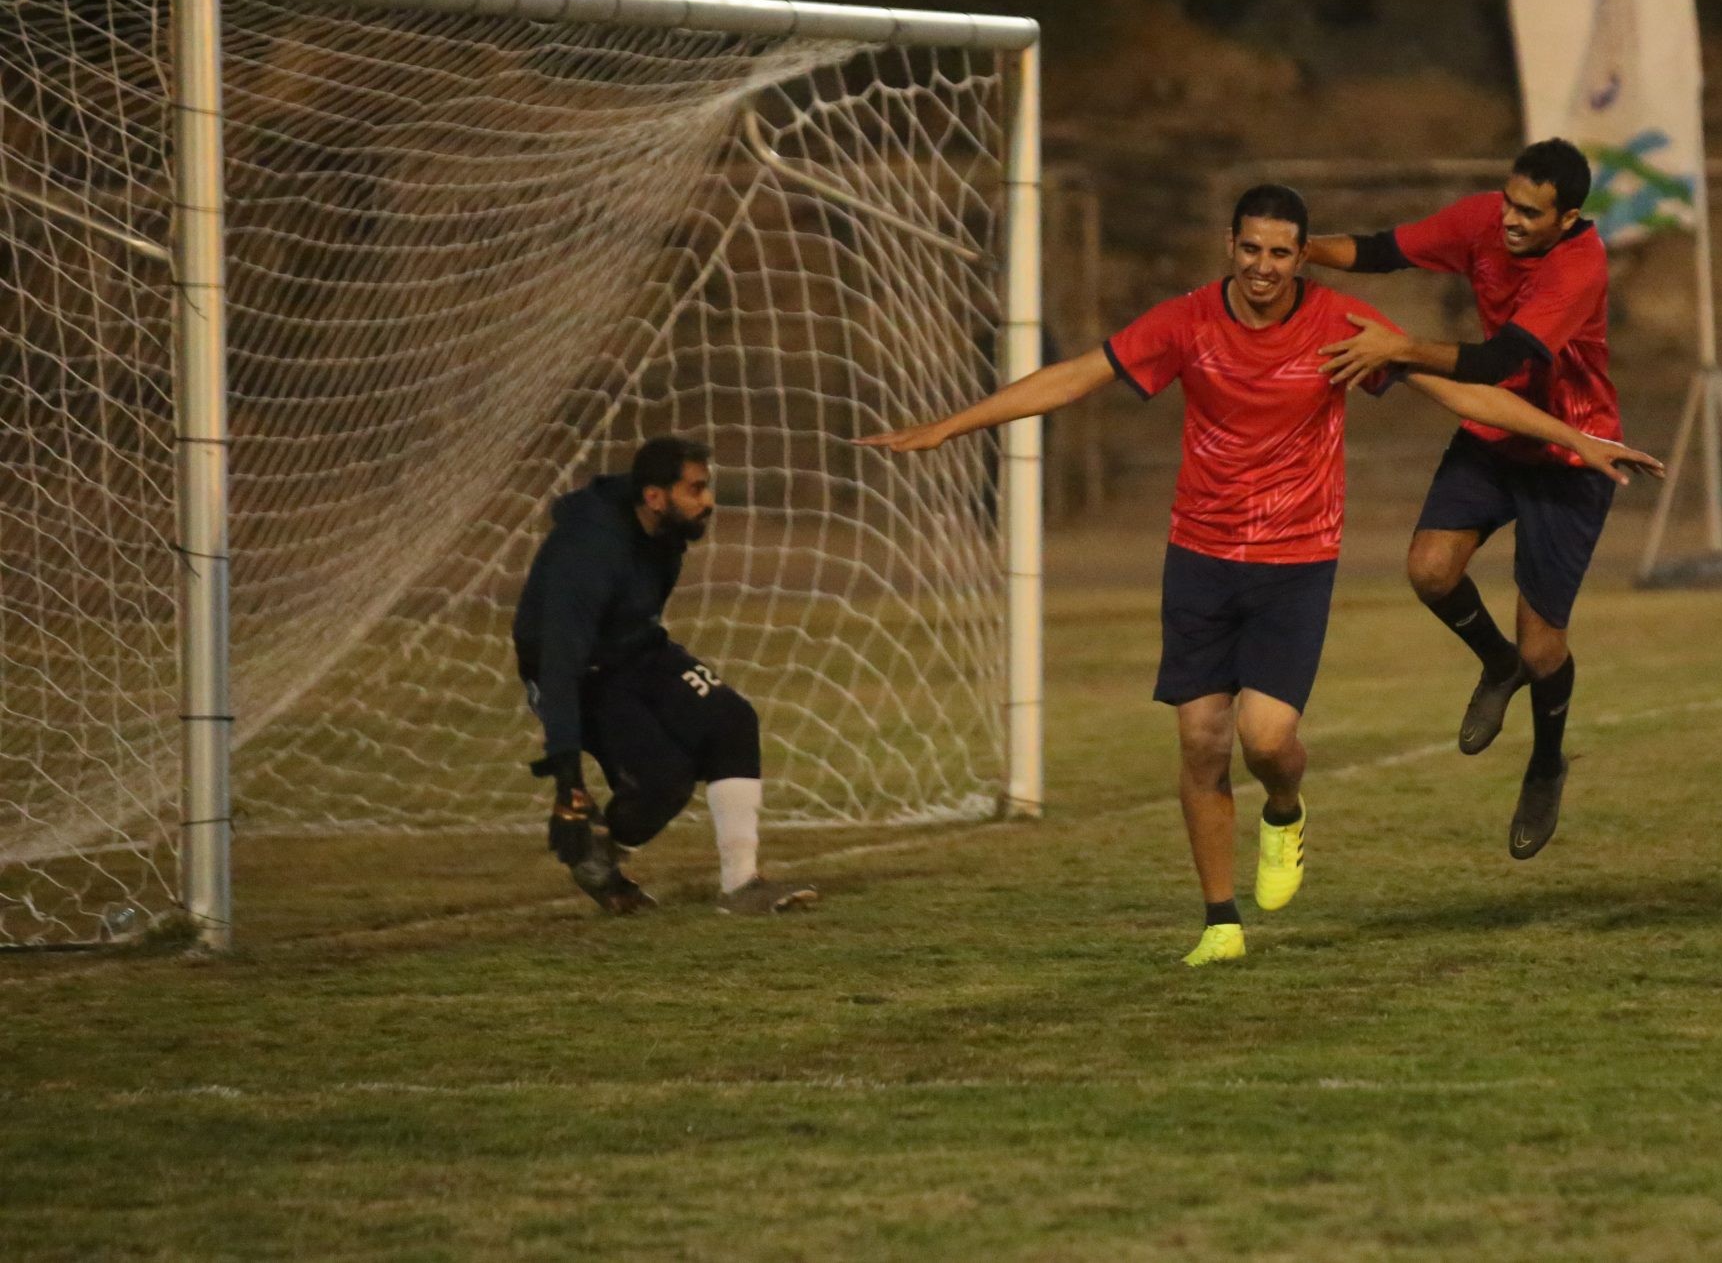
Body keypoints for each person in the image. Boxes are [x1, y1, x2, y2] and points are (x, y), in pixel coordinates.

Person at [860, 185, 1661, 966]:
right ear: (1230, 247)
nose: (1266, 266)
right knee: (1201, 740)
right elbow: (1078, 374)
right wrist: (948, 429)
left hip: (1295, 564)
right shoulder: (1187, 320)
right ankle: (1219, 919)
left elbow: (1463, 393)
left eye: (1282, 252)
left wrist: (1577, 439)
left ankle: (1285, 808)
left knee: (1267, 741)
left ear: (1300, 256)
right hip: (1200, 560)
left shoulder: (1342, 326)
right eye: (1252, 248)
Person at [1301, 139, 1619, 858]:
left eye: (1529, 212)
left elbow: (1498, 359)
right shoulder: (1483, 219)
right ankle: (1494, 662)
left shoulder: (1578, 266)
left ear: (1568, 218)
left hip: (1572, 449)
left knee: (1545, 648)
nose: (1509, 220)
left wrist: (1400, 347)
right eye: (1509, 200)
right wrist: (1303, 248)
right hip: (1495, 431)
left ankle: (1545, 763)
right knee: (1430, 570)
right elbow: (1385, 249)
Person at [513, 435, 819, 915]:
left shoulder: (663, 532)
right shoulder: (589, 551)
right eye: (695, 490)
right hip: (580, 673)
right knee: (664, 782)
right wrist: (566, 776)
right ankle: (599, 857)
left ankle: (741, 886)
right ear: (655, 497)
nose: (708, 501)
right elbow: (559, 661)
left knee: (732, 720)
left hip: (637, 650)